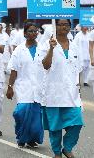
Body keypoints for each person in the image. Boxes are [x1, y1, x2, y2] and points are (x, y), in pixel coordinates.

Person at [40, 19, 83, 158]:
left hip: (71, 93)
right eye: (60, 24)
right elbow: (45, 65)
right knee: (55, 126)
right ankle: (57, 152)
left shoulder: (75, 46)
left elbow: (78, 69)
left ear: (70, 27)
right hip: (54, 92)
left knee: (77, 122)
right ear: (55, 27)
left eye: (66, 24)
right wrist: (51, 49)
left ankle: (68, 147)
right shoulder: (47, 44)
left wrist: (79, 87)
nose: (64, 27)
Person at [6, 22, 44, 148]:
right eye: (30, 31)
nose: (33, 33)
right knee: (20, 113)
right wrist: (10, 87)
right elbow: (14, 70)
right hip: (23, 87)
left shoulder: (43, 48)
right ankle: (21, 136)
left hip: (38, 87)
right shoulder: (19, 50)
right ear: (25, 33)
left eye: (35, 31)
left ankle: (31, 139)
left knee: (35, 117)